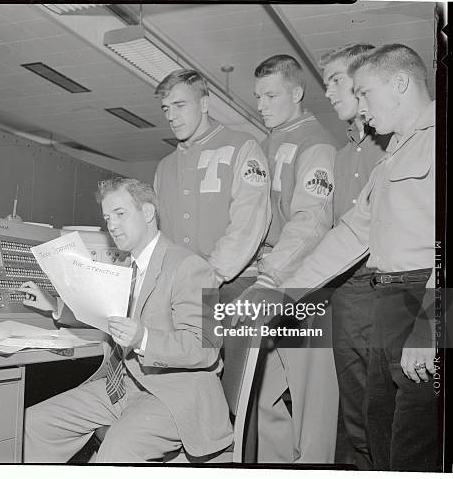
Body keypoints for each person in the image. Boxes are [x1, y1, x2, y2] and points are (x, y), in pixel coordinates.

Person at [276, 44, 438, 471]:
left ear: (400, 84)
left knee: (417, 439)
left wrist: (430, 326)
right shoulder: (391, 157)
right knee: (380, 429)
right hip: (388, 299)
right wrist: (287, 293)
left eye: (365, 93)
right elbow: (351, 232)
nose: (360, 106)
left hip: (424, 295)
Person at [20, 177, 232, 463]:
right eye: (108, 218)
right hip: (126, 384)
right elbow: (102, 315)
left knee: (115, 451)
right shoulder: (123, 266)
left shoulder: (192, 267)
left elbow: (205, 347)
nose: (112, 225)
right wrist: (54, 307)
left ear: (147, 213)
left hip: (175, 394)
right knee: (35, 423)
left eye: (120, 214)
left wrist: (142, 338)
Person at [247, 54, 339, 463]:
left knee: (311, 405)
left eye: (270, 95)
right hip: (264, 276)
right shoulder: (265, 143)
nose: (261, 105)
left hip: (302, 283)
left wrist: (269, 275)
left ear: (297, 92)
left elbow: (310, 221)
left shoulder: (316, 141)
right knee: (260, 393)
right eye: (258, 97)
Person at [317, 43, 391, 469]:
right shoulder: (341, 156)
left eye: (336, 81)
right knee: (355, 405)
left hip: (401, 283)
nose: (328, 92)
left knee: (405, 401)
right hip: (347, 288)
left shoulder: (399, 145)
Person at [153, 69, 271, 302]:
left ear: (204, 104)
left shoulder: (243, 147)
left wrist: (210, 275)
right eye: (166, 108)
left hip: (235, 284)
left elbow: (248, 222)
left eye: (179, 105)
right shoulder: (164, 167)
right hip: (180, 286)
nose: (171, 116)